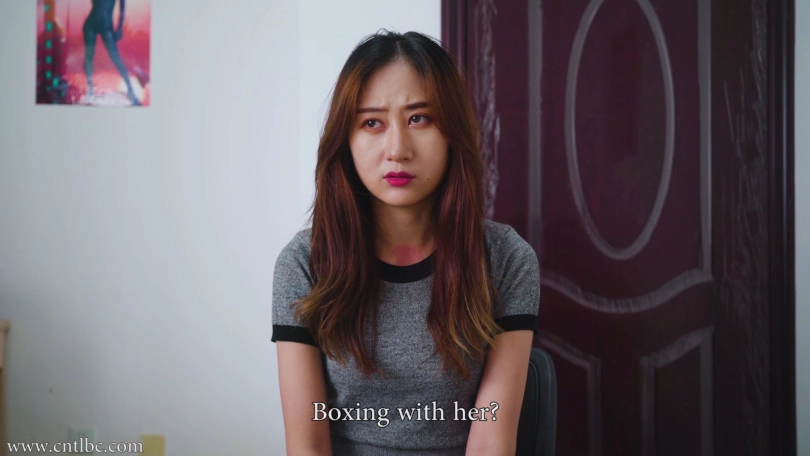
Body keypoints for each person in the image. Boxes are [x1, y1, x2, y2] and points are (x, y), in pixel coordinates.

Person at [272, 30, 540, 455]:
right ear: (346, 141)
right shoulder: (305, 262)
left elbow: (491, 441)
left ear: (452, 132)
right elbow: (308, 447)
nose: (397, 149)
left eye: (419, 119)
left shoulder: (506, 259)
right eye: (372, 123)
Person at [82, 0, 141, 105]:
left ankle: (131, 90)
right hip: (91, 24)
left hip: (106, 26)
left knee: (115, 58)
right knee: (89, 58)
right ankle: (90, 91)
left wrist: (120, 27)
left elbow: (122, 8)